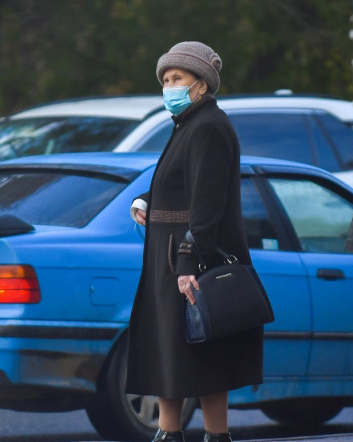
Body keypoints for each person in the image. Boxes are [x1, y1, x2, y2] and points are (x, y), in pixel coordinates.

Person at [126, 41, 263, 442]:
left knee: (200, 355)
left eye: (178, 78)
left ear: (201, 84)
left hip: (187, 260)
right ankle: (170, 433)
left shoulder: (207, 127)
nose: (169, 86)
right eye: (165, 79)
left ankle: (212, 436)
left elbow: (207, 202)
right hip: (168, 259)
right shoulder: (188, 124)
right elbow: (180, 184)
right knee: (172, 353)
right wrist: (146, 201)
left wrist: (189, 261)